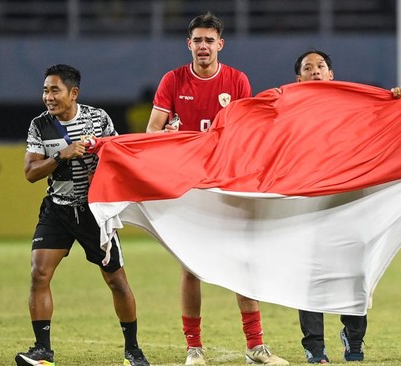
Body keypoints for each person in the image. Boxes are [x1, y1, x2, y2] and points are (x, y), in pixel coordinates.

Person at [145, 12, 288, 366]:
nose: (204, 46)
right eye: (198, 40)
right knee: (190, 267)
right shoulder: (173, 81)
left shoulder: (237, 81)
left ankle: (256, 346)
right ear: (188, 44)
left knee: (242, 260)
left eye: (210, 40)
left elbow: (246, 131)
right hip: (188, 185)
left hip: (227, 181)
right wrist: (170, 137)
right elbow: (151, 133)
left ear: (220, 44)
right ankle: (194, 348)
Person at [16, 64, 149, 366]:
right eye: (45, 90)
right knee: (39, 273)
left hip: (93, 213)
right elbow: (30, 172)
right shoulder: (40, 125)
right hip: (58, 209)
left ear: (73, 93)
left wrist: (100, 173)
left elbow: (117, 158)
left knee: (116, 281)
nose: (48, 96)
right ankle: (42, 351)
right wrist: (61, 155)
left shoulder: (97, 118)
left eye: (54, 90)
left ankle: (133, 350)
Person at [293, 49, 401, 364]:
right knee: (310, 276)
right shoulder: (287, 113)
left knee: (355, 274)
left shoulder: (354, 107)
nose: (315, 71)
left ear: (332, 75)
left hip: (351, 205)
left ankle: (353, 339)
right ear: (298, 79)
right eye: (308, 67)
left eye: (321, 66)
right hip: (308, 205)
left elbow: (386, 126)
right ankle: (315, 347)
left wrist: (397, 102)